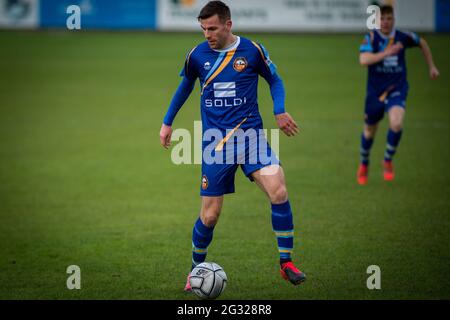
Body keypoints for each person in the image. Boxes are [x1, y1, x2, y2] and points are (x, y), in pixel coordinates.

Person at [159, 1, 306, 290]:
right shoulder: (196, 55)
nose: (207, 34)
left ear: (228, 24)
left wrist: (279, 109)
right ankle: (194, 270)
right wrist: (167, 122)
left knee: (279, 189)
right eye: (203, 28)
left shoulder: (252, 50)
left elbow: (275, 80)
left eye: (212, 28)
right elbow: (185, 87)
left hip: (251, 139)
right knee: (210, 215)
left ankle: (285, 262)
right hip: (216, 146)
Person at [357, 5, 439, 185]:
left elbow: (422, 42)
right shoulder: (371, 37)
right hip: (375, 92)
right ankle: (364, 163)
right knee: (369, 132)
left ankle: (387, 160)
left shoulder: (403, 36)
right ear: (378, 20)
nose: (385, 22)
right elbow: (363, 60)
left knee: (396, 122)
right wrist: (387, 53)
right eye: (382, 19)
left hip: (397, 87)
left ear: (393, 19)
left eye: (389, 19)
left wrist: (431, 66)